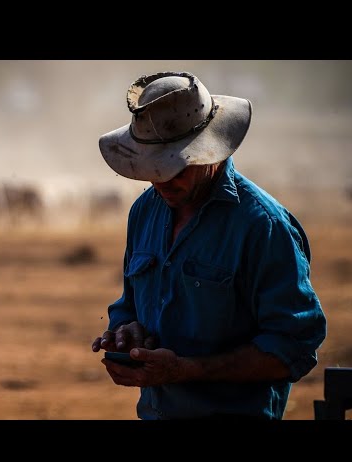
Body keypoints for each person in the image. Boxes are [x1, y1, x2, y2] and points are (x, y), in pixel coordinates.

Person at [91, 71, 327, 420]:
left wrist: (187, 369)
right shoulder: (145, 212)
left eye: (176, 168)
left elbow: (295, 345)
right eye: (153, 170)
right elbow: (130, 304)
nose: (163, 182)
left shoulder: (263, 226)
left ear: (210, 151)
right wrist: (128, 332)